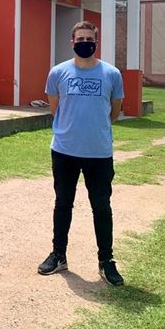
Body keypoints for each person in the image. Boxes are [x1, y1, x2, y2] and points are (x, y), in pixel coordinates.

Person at [37, 21, 125, 286]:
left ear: (96, 42)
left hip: (99, 152)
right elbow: (56, 109)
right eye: (80, 39)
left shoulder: (112, 74)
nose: (85, 43)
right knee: (63, 203)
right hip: (64, 151)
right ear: (72, 42)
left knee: (101, 206)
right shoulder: (57, 73)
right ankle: (58, 255)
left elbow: (114, 111)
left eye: (89, 39)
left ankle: (106, 260)